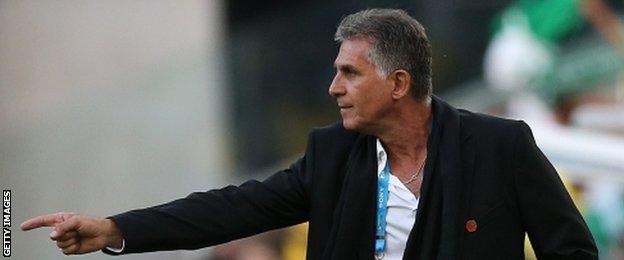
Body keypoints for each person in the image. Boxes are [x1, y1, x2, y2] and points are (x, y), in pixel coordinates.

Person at [21, 8, 598, 259]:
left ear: (398, 83)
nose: (333, 88)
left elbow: (571, 251)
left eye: (349, 73)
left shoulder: (502, 147)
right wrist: (117, 229)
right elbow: (232, 209)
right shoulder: (332, 155)